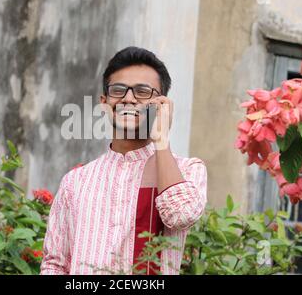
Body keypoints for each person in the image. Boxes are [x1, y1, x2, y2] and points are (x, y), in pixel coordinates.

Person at [40, 46, 207, 275]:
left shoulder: (187, 170)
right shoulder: (75, 182)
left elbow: (179, 215)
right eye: (118, 90)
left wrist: (161, 139)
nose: (128, 99)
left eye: (142, 91)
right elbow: (55, 264)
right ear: (104, 102)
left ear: (161, 104)